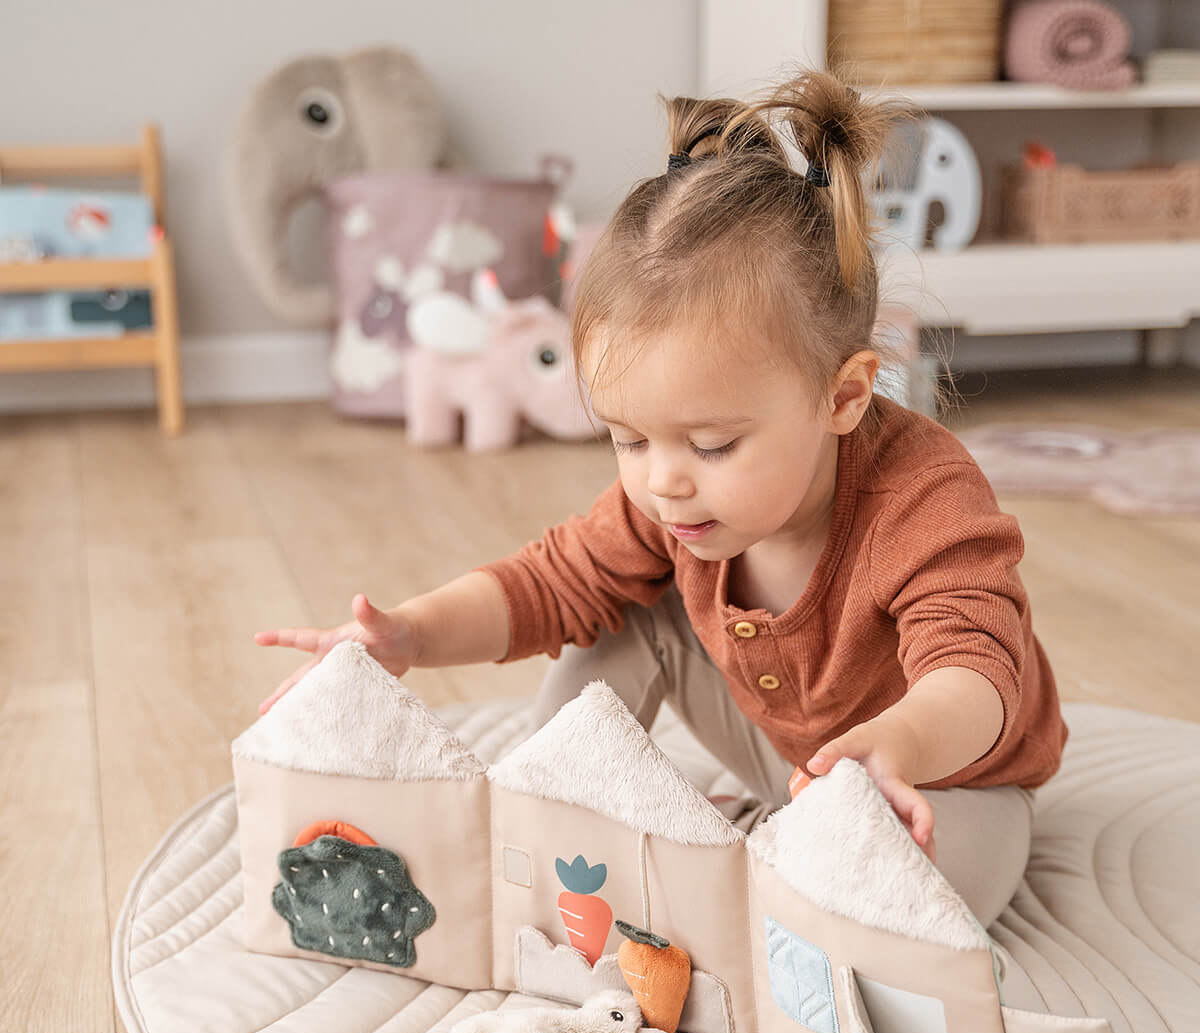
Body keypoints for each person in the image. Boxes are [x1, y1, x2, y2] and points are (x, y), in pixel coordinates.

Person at [255, 69, 1068, 928]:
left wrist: (894, 748)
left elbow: (976, 673)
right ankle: (549, 806)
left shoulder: (926, 500)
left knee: (909, 900)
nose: (662, 481)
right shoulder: (671, 501)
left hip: (943, 779)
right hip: (784, 752)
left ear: (844, 397)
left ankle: (796, 886)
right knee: (619, 609)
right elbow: (548, 583)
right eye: (630, 438)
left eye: (712, 445)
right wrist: (412, 632)